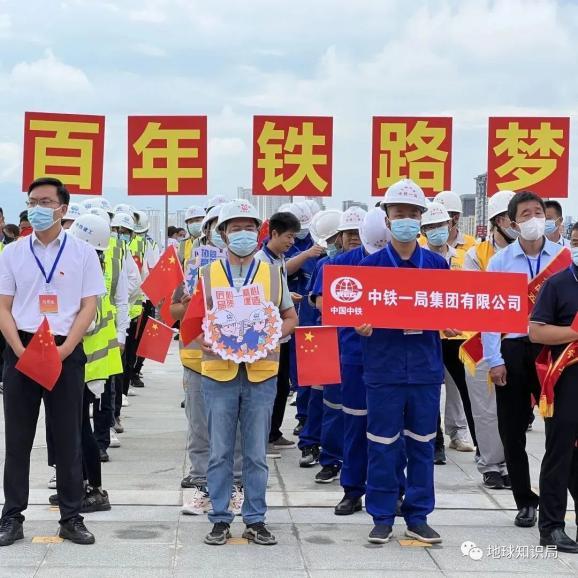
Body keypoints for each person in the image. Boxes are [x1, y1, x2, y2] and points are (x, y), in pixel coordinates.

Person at [0, 177, 105, 546]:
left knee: (68, 438)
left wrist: (64, 350)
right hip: (22, 350)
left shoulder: (82, 253)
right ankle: (12, 516)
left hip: (65, 350)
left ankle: (71, 516)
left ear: (63, 208)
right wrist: (17, 349)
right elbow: (3, 306)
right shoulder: (12, 253)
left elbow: (89, 306)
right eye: (32, 201)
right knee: (17, 439)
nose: (37, 208)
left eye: (45, 201)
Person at [357, 178, 453, 545]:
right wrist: (362, 327)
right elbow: (354, 318)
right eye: (400, 214)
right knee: (382, 444)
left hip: (426, 370)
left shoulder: (437, 266)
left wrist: (449, 323)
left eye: (414, 215)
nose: (407, 221)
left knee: (422, 444)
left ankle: (418, 515)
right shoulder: (371, 268)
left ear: (422, 220)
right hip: (384, 368)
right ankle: (381, 515)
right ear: (387, 217)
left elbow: (449, 311)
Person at [196, 199, 297, 546]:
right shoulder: (208, 274)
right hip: (219, 374)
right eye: (235, 228)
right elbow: (193, 322)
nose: (243, 234)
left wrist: (274, 336)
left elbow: (290, 318)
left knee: (255, 452)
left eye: (249, 228)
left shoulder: (272, 272)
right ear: (223, 234)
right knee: (220, 451)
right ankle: (220, 518)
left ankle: (255, 518)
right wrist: (202, 340)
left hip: (261, 372)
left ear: (259, 232)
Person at [482, 191, 563, 528]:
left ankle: (556, 498)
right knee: (512, 429)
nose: (534, 219)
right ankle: (525, 501)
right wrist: (493, 360)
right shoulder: (500, 262)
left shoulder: (563, 257)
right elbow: (488, 315)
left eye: (538, 212)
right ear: (513, 223)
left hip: (553, 351)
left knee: (560, 428)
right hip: (513, 351)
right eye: (525, 214)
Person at [172, 203, 244, 517]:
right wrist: (188, 305)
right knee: (200, 428)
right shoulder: (190, 266)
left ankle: (237, 487)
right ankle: (203, 488)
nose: (222, 232)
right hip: (196, 358)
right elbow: (172, 311)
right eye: (216, 226)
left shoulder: (254, 268)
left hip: (236, 359)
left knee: (236, 429)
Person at [528, 222, 578, 553]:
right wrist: (575, 334)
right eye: (576, 239)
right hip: (568, 379)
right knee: (561, 452)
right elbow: (536, 332)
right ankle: (551, 526)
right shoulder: (559, 284)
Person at [462, 191, 514, 490]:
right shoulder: (477, 254)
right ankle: (492, 464)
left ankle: (511, 462)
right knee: (485, 409)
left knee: (514, 408)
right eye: (511, 216)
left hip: (519, 339)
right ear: (498, 221)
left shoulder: (533, 255)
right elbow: (473, 298)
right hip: (482, 341)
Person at [420, 202, 477, 465]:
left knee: (466, 390)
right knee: (430, 389)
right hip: (429, 335)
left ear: (450, 225)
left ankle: (476, 441)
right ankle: (436, 442)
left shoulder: (465, 258)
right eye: (429, 227)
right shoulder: (417, 258)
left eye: (440, 226)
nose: (436, 231)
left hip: (459, 336)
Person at [254, 210, 302, 451]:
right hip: (268, 334)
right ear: (274, 233)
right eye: (289, 237)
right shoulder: (260, 261)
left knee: (282, 385)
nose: (291, 242)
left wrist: (287, 297)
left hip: (283, 332)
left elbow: (278, 290)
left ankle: (273, 432)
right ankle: (263, 436)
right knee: (268, 387)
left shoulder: (279, 259)